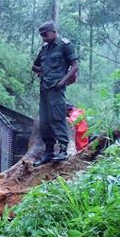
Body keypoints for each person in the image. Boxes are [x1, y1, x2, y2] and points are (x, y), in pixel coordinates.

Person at [32, 20, 79, 166]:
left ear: (54, 31)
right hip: (44, 88)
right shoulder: (45, 49)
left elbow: (75, 66)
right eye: (42, 36)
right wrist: (43, 70)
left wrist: (63, 81)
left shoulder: (64, 45)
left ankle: (64, 150)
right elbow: (35, 66)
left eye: (45, 35)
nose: (44, 38)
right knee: (44, 121)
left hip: (56, 88)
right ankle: (49, 151)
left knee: (56, 118)